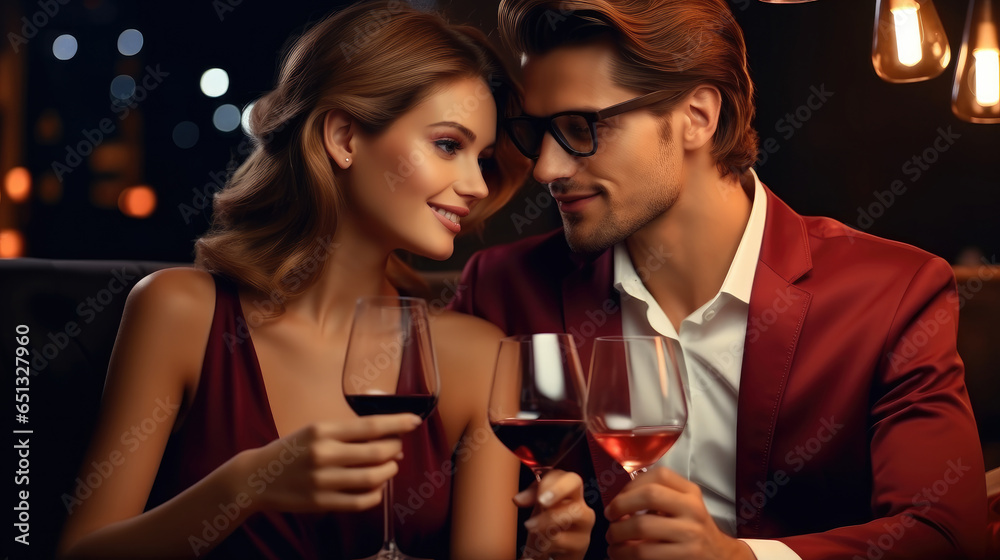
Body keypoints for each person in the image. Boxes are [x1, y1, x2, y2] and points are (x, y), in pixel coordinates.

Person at [449, 1, 988, 559]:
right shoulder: (501, 289)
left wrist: (739, 558)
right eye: (536, 133)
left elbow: (945, 535)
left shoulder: (893, 294)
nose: (547, 169)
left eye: (580, 127)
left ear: (698, 117)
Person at [56, 2, 594, 559]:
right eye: (448, 145)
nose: (477, 185)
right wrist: (246, 486)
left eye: (481, 158)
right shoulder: (179, 312)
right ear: (343, 137)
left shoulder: (477, 359)